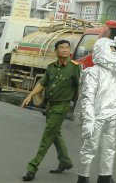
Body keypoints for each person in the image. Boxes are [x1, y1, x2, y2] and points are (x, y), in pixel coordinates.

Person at [76, 35, 116, 183]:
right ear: (102, 51)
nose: (114, 53)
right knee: (89, 148)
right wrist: (88, 119)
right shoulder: (93, 72)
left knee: (109, 149)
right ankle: (83, 178)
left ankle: (105, 177)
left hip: (111, 117)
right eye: (112, 50)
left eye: (115, 50)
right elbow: (87, 98)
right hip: (96, 117)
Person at [21, 39, 81, 181]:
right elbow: (42, 84)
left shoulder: (75, 68)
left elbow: (81, 88)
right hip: (50, 106)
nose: (65, 49)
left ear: (70, 51)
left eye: (67, 47)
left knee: (47, 136)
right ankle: (65, 161)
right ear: (56, 51)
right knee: (55, 134)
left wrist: (80, 108)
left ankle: (32, 168)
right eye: (61, 47)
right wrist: (29, 96)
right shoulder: (51, 67)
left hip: (62, 106)